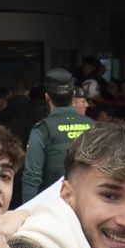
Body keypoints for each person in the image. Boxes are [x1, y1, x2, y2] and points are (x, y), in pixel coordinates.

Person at [20, 69, 96, 202]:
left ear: (47, 97)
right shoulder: (93, 126)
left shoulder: (42, 129)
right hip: (87, 205)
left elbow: (32, 177)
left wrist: (27, 212)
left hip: (54, 207)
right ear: (73, 95)